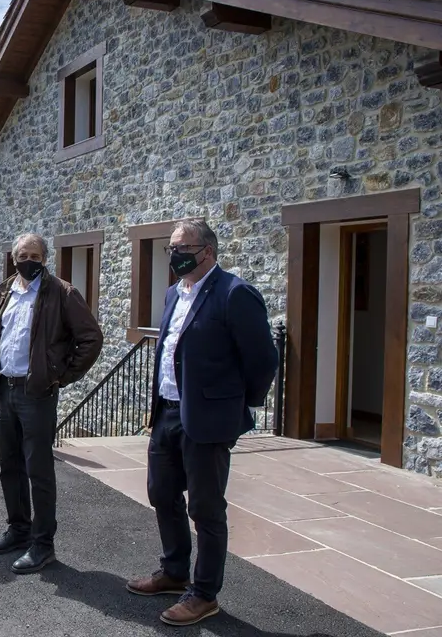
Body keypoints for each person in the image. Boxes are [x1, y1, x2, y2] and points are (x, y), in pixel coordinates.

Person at [126, 218, 278, 626]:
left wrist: (235, 407)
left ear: (206, 252)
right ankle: (175, 572)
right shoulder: (175, 292)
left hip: (209, 419)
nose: (174, 254)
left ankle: (204, 593)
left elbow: (263, 360)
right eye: (171, 248)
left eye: (181, 247)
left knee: (207, 510)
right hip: (168, 412)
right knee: (162, 494)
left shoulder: (235, 293)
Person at [0, 232, 103, 574]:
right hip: (6, 391)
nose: (28, 260)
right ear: (14, 258)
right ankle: (18, 530)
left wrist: (59, 376)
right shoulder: (6, 293)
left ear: (44, 259)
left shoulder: (62, 293)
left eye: (35, 255)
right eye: (23, 254)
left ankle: (42, 544)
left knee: (39, 471)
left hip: (37, 394)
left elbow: (91, 338)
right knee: (10, 467)